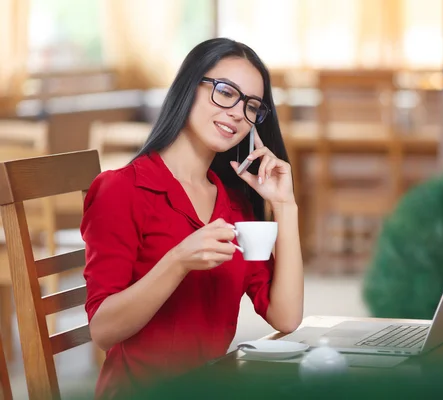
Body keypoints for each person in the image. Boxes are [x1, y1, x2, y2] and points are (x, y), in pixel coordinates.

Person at [81, 37, 304, 399]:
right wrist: (178, 261)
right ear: (189, 86)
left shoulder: (232, 204)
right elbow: (103, 330)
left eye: (251, 106)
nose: (237, 113)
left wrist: (286, 206)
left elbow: (286, 317)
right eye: (226, 92)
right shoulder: (121, 190)